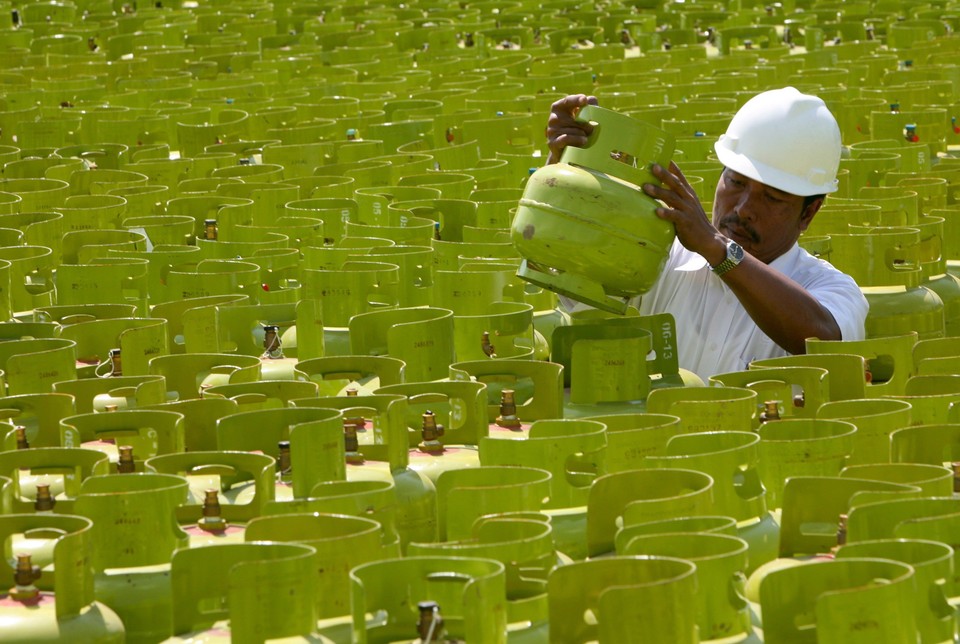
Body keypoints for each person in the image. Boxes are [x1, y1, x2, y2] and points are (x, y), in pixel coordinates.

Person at [546, 87, 868, 381]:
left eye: (772, 198)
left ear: (808, 213)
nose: (743, 209)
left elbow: (820, 339)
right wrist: (564, 173)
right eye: (736, 183)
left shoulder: (831, 289)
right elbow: (572, 270)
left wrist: (718, 250)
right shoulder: (659, 255)